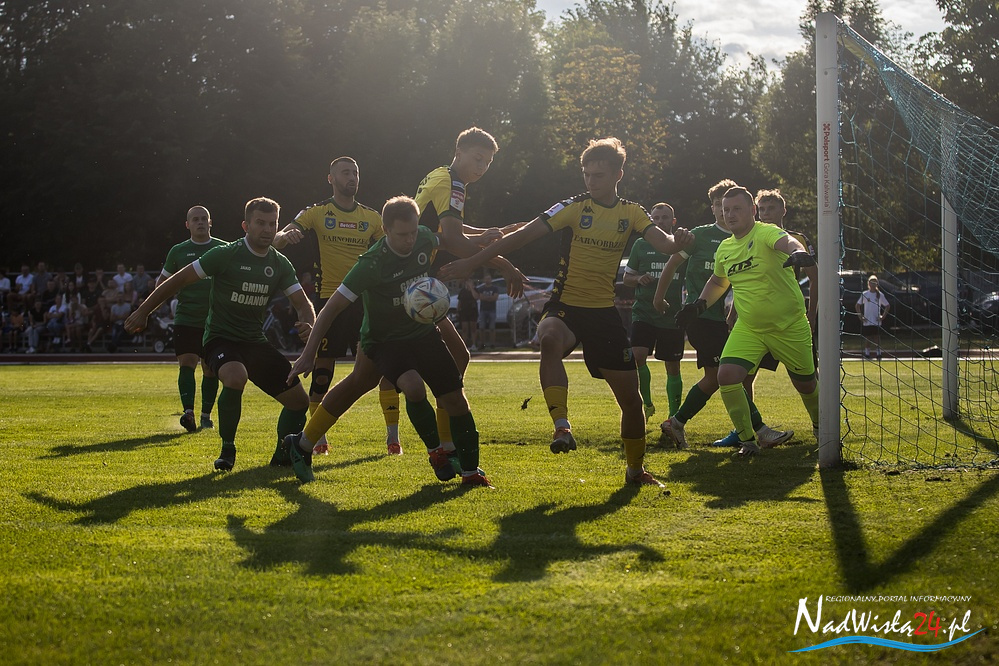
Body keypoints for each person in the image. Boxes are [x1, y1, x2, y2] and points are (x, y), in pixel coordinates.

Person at [440, 137, 694, 488]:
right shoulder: (574, 207)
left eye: (598, 175)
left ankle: (636, 471)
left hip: (603, 314)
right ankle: (562, 426)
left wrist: (679, 242)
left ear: (618, 175)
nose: (591, 181)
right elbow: (522, 236)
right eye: (586, 174)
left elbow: (665, 244)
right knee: (548, 338)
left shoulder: (632, 212)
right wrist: (473, 261)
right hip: (565, 305)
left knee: (632, 403)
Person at [283, 196, 491, 487]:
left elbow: (446, 239)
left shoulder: (423, 238)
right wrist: (308, 353)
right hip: (384, 340)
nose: (409, 240)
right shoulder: (371, 264)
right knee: (412, 386)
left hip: (422, 332)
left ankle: (470, 472)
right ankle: (438, 452)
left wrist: (482, 240)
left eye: (413, 232)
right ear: (385, 229)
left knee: (454, 397)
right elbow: (331, 308)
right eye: (402, 234)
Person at [126, 197, 316, 472]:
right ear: (246, 226)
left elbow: (302, 304)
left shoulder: (280, 263)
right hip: (220, 338)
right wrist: (144, 311)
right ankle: (228, 449)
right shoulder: (225, 254)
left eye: (272, 224)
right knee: (235, 376)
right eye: (260, 223)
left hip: (254, 341)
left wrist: (308, 324)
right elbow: (178, 280)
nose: (267, 229)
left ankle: (283, 456)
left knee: (299, 402)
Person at [272, 156, 403, 455]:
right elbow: (278, 239)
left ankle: (393, 438)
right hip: (329, 299)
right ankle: (317, 438)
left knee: (386, 366)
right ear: (331, 179)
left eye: (355, 172)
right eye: (345, 173)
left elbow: (394, 249)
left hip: (366, 302)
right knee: (322, 372)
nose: (352, 177)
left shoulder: (372, 218)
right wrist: (285, 235)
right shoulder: (317, 212)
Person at [676, 186, 819, 456]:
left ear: (752, 210)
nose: (730, 215)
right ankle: (748, 441)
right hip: (750, 328)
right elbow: (718, 281)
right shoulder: (725, 248)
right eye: (726, 210)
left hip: (788, 325)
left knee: (806, 384)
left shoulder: (765, 232)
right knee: (727, 376)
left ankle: (820, 426)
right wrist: (699, 305)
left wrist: (798, 252)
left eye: (737, 209)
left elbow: (789, 242)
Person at [655, 180, 791, 450]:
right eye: (718, 205)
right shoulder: (699, 236)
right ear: (713, 208)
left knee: (718, 377)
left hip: (722, 321)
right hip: (699, 317)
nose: (723, 211)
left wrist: (733, 316)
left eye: (728, 206)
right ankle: (759, 431)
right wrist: (659, 298)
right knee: (725, 374)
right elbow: (672, 264)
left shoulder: (744, 238)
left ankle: (677, 422)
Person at [414, 127, 525, 454]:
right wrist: (503, 264)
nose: (482, 167)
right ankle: (444, 444)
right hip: (408, 281)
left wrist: (491, 233)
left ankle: (443, 443)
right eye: (478, 158)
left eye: (488, 162)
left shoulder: (440, 175)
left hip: (411, 278)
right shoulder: (454, 183)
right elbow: (452, 240)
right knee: (447, 362)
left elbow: (445, 230)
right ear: (459, 152)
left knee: (455, 357)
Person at [156, 205, 226, 431]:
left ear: (210, 222)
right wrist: (151, 309)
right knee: (186, 363)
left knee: (210, 369)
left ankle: (206, 415)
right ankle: (189, 413)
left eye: (204, 218)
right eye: (195, 219)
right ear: (187, 224)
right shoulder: (178, 251)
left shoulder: (223, 249)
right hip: (186, 318)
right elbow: (162, 284)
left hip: (214, 320)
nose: (200, 222)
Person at [623, 202, 685, 422]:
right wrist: (639, 278)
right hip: (644, 313)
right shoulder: (640, 245)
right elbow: (626, 278)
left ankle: (673, 416)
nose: (660, 222)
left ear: (673, 221)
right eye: (655, 218)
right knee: (638, 356)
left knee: (672, 366)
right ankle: (646, 404)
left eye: (664, 218)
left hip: (672, 315)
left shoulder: (681, 245)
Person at [857, 275, 889, 359]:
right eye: (871, 283)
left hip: (876, 320)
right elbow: (857, 305)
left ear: (877, 284)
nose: (873, 285)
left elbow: (887, 305)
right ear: (869, 284)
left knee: (876, 337)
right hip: (867, 320)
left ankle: (878, 353)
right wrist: (861, 316)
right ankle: (867, 354)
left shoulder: (880, 295)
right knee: (868, 338)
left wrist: (883, 316)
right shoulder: (865, 294)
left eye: (875, 283)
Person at [476, 272, 500, 349]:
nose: (487, 280)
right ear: (484, 280)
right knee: (481, 328)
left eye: (489, 278)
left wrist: (486, 298)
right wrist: (489, 298)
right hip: (483, 310)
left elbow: (495, 298)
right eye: (486, 279)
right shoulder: (481, 288)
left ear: (491, 279)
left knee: (492, 328)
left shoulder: (495, 288)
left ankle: (492, 344)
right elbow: (480, 297)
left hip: (492, 310)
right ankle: (482, 344)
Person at [456, 279, 479, 349]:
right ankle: (464, 345)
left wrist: (471, 288)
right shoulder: (462, 291)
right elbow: (459, 301)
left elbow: (476, 297)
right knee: (464, 329)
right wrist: (457, 311)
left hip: (473, 311)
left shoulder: (475, 290)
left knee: (473, 328)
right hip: (464, 311)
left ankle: (474, 344)